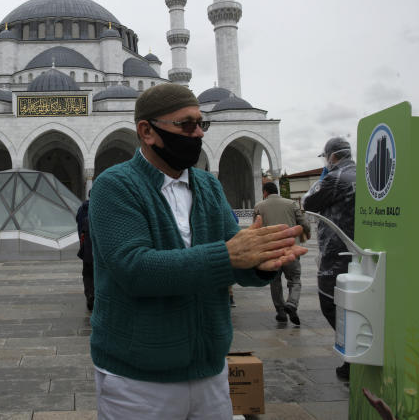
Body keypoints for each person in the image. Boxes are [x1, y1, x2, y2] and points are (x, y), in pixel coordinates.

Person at [88, 83, 307, 419]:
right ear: (147, 131)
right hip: (139, 381)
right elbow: (134, 269)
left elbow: (233, 259)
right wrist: (230, 255)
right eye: (185, 125)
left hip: (209, 370)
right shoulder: (115, 185)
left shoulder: (206, 185)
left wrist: (261, 263)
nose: (197, 135)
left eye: (200, 124)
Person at [302, 136, 356, 379]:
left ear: (332, 156)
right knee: (357, 304)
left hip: (337, 253)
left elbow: (308, 203)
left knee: (331, 304)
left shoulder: (335, 178)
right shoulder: (364, 175)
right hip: (359, 251)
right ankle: (355, 354)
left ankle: (354, 355)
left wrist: (323, 179)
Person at [254, 181, 309, 326]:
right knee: (295, 279)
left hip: (272, 252)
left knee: (275, 282)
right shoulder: (291, 204)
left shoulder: (259, 206)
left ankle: (281, 312)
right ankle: (292, 303)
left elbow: (255, 229)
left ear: (265, 192)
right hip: (290, 249)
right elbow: (304, 223)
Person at [75, 198, 94, 310]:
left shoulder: (82, 209)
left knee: (87, 275)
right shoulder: (101, 208)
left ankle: (90, 295)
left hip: (86, 248)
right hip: (97, 251)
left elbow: (79, 227)